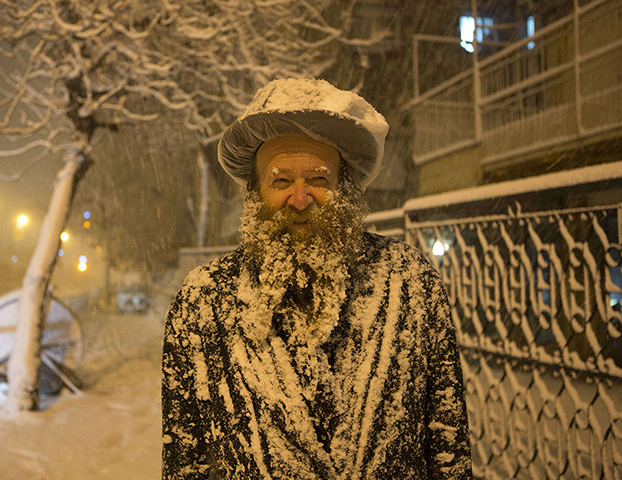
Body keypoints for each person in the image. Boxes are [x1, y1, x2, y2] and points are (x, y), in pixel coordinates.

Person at [162, 78, 472, 479]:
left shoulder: (410, 283)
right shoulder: (202, 303)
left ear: (344, 188)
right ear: (256, 191)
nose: (300, 197)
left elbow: (448, 449)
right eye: (281, 180)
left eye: (318, 179)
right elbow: (185, 465)